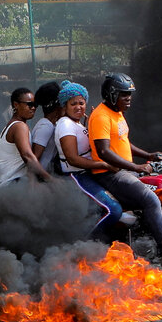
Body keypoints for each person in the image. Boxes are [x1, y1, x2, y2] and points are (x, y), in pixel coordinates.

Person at [88, 73, 162, 274]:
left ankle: (151, 240)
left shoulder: (116, 113)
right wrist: (137, 167)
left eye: (130, 94)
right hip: (109, 174)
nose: (129, 98)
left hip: (123, 171)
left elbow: (123, 142)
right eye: (124, 94)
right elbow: (104, 151)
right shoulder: (101, 116)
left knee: (160, 187)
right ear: (112, 95)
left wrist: (148, 155)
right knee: (151, 200)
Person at [53, 82, 121, 242]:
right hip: (77, 176)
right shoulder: (65, 124)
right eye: (73, 103)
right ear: (65, 105)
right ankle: (86, 245)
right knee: (114, 210)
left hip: (88, 174)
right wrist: (104, 164)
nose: (78, 107)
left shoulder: (76, 123)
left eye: (81, 103)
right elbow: (73, 158)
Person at [0, 87, 52, 188]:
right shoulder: (19, 126)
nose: (33, 108)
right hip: (11, 185)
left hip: (8, 185)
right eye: (29, 104)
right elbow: (28, 156)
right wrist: (51, 180)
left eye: (35, 105)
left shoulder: (13, 125)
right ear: (16, 105)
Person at [31, 81, 64, 175]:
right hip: (40, 177)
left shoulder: (53, 125)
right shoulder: (46, 127)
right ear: (58, 105)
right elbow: (34, 159)